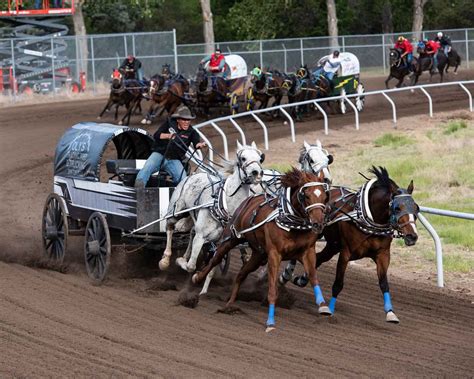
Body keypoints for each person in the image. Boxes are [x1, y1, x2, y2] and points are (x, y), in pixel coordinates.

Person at [135, 106, 206, 188]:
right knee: (146, 169)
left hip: (174, 159)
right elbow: (156, 135)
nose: (186, 122)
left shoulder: (192, 132)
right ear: (178, 120)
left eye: (188, 120)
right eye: (184, 119)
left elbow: (196, 143)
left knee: (183, 179)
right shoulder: (169, 123)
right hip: (159, 154)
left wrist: (199, 145)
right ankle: (138, 190)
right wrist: (168, 136)